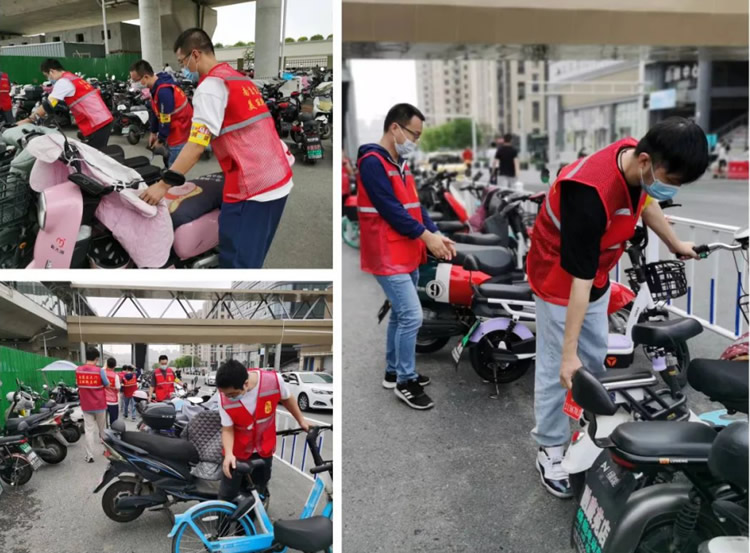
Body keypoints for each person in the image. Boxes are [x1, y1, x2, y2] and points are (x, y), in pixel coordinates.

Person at [526, 117, 709, 498]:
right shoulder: (587, 193)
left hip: (594, 276)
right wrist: (568, 356)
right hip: (559, 277)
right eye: (670, 179)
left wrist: (674, 243)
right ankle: (550, 448)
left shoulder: (637, 164)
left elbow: (646, 202)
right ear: (645, 161)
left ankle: (583, 424)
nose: (671, 188)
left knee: (592, 360)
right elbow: (577, 279)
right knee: (558, 369)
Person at [139, 28, 294, 269]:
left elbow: (196, 145)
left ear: (195, 54)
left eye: (182, 61)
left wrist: (163, 185)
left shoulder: (210, 87)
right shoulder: (238, 78)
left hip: (252, 188)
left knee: (237, 263)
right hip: (278, 177)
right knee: (254, 254)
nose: (183, 68)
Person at [357, 103, 456, 410]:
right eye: (415, 134)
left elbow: (414, 206)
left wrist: (435, 233)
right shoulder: (372, 162)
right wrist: (427, 237)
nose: (416, 141)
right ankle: (405, 381)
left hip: (405, 251)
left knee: (401, 315)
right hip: (387, 254)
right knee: (412, 316)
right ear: (395, 128)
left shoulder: (398, 163)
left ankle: (393, 372)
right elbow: (390, 210)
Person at [216, 360, 309, 501]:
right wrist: (228, 454)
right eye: (226, 394)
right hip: (237, 452)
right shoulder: (223, 396)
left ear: (246, 384)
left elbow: (287, 398)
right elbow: (227, 429)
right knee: (227, 494)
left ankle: (253, 514)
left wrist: (301, 420)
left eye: (232, 394)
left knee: (257, 493)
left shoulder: (273, 381)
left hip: (264, 449)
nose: (228, 397)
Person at [17, 59, 113, 150]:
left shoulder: (64, 82)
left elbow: (48, 104)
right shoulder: (73, 78)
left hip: (96, 123)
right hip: (101, 119)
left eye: (47, 76)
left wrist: (28, 120)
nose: (48, 79)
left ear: (51, 71)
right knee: (94, 154)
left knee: (93, 157)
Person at [129, 60, 193, 167]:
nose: (134, 84)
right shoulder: (156, 85)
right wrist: (153, 132)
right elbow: (156, 111)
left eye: (135, 81)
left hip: (179, 132)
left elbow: (165, 118)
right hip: (173, 129)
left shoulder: (163, 91)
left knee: (173, 168)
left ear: (145, 77)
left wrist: (161, 139)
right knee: (168, 162)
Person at [75, 347, 110, 463]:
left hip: (86, 405)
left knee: (89, 431)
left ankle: (89, 456)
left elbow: (78, 384)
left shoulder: (78, 370)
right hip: (100, 405)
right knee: (102, 430)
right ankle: (107, 452)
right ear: (96, 358)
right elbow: (107, 384)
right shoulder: (100, 371)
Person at [104, 358, 121, 426]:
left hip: (103, 401)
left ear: (107, 364)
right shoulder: (115, 376)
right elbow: (118, 389)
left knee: (103, 422)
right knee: (114, 422)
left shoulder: (102, 373)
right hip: (113, 402)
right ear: (114, 366)